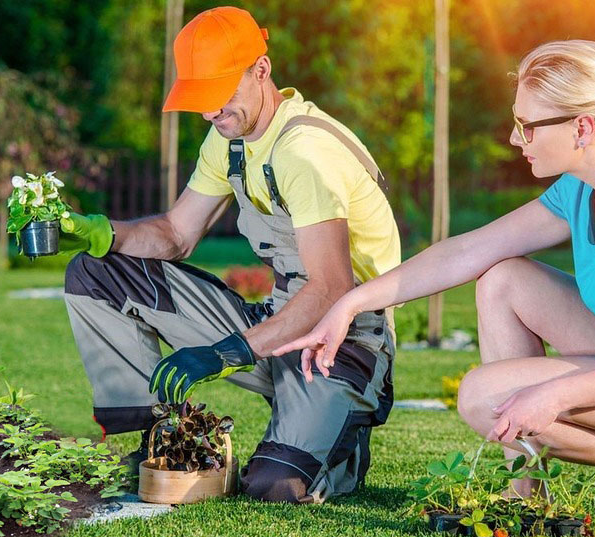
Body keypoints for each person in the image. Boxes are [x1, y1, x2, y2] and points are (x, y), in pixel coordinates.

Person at [274, 40, 595, 532]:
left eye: (528, 125)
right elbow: (470, 251)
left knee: (482, 397)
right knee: (502, 279)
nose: (516, 139)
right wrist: (349, 304)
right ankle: (524, 497)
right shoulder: (584, 186)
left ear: (582, 127)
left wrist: (555, 394)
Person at [58, 6, 400, 504]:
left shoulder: (304, 152)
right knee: (98, 273)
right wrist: (99, 233)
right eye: (201, 99)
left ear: (260, 71)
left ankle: (341, 446)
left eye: (219, 95)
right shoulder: (230, 138)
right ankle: (157, 438)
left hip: (346, 339)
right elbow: (176, 234)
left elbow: (331, 288)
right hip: (279, 315)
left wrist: (225, 354)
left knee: (274, 486)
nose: (210, 113)